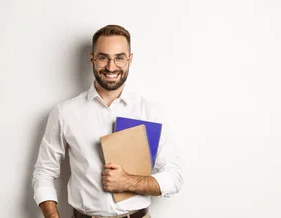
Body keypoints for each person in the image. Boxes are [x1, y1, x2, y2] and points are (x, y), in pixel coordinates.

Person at [32, 24, 183, 218]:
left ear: (130, 59)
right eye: (103, 58)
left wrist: (127, 182)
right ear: (92, 59)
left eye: (119, 58)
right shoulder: (65, 113)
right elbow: (44, 172)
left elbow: (174, 177)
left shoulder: (149, 112)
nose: (111, 67)